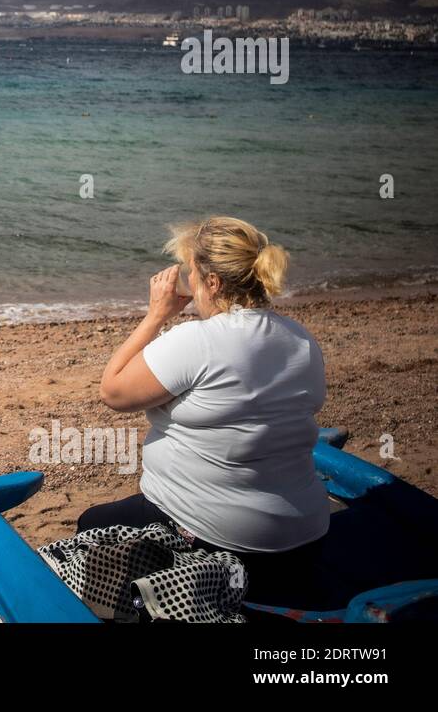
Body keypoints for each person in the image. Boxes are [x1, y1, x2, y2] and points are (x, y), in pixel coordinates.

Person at [88, 216, 329, 605]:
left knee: (91, 525)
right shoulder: (300, 339)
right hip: (307, 534)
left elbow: (113, 392)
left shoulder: (197, 341)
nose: (191, 286)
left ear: (213, 282)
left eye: (192, 275)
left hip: (222, 540)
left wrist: (156, 315)